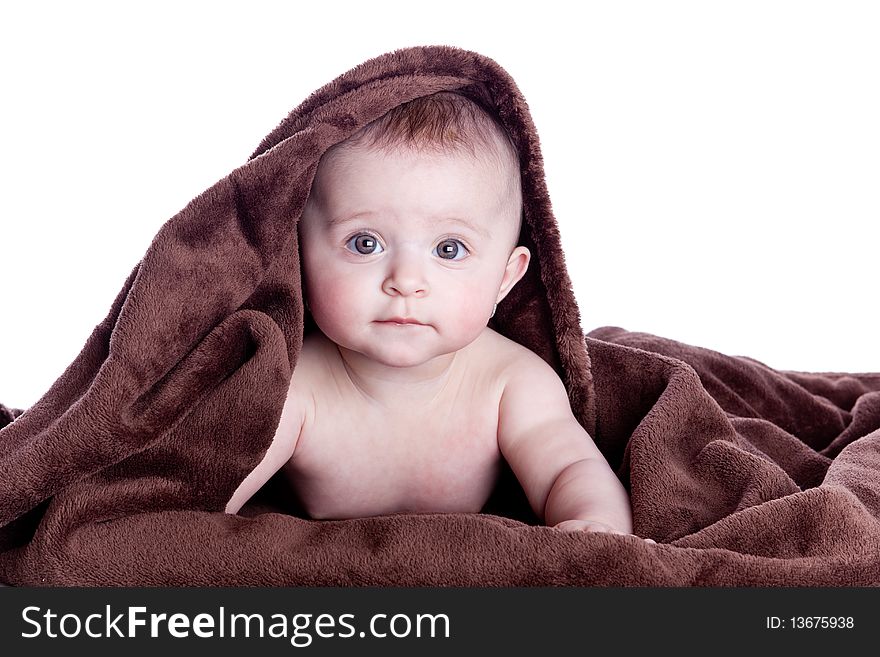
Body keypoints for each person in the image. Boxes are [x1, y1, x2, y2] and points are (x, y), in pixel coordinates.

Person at [225, 91, 643, 540]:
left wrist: (594, 525)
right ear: (300, 256)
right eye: (365, 243)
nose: (406, 281)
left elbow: (570, 468)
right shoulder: (294, 387)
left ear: (505, 278)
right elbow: (207, 496)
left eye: (449, 249)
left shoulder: (510, 383)